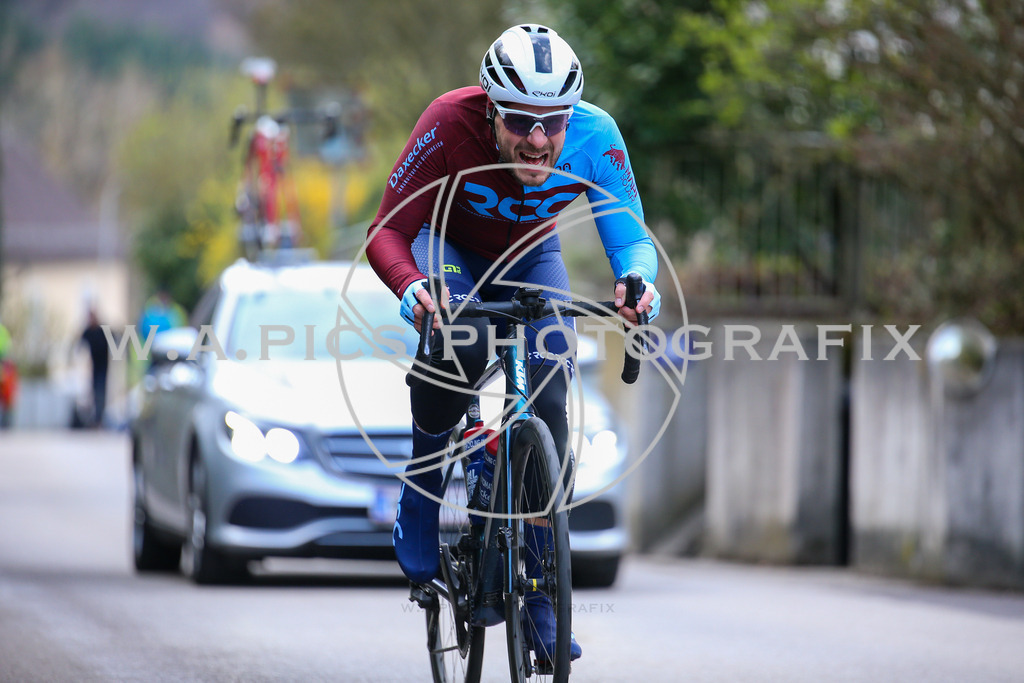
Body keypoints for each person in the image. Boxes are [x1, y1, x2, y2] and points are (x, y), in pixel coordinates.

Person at [365, 24, 660, 663]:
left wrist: (638, 283)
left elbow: (632, 239)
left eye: (552, 123)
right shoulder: (449, 122)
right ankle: (421, 487)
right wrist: (414, 288)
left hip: (532, 255)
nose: (537, 139)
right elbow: (388, 232)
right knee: (463, 340)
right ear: (491, 110)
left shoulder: (596, 135)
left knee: (552, 392)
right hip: (449, 248)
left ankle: (542, 597)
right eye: (521, 120)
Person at [79, 308, 110, 428]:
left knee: (101, 391)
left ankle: (100, 418)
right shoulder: (88, 331)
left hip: (103, 366)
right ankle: (95, 418)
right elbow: (79, 343)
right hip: (94, 367)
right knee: (94, 391)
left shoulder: (102, 331)